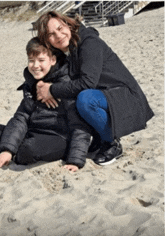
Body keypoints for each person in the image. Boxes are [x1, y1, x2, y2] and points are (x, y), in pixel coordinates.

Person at [35, 11, 154, 166]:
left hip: (126, 97)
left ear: (68, 24)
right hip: (106, 94)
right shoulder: (69, 48)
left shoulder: (89, 42)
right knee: (75, 95)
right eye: (51, 34)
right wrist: (38, 84)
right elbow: (40, 61)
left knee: (85, 100)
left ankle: (112, 143)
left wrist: (51, 90)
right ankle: (99, 136)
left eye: (60, 27)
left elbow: (87, 83)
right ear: (47, 40)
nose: (58, 35)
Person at [0, 37, 93, 172]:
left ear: (53, 60)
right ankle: (11, 151)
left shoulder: (66, 85)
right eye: (31, 61)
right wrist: (7, 150)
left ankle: (16, 152)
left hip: (58, 137)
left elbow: (79, 125)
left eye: (41, 60)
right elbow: (21, 117)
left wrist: (75, 161)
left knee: (27, 151)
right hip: (32, 132)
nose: (35, 65)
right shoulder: (32, 83)